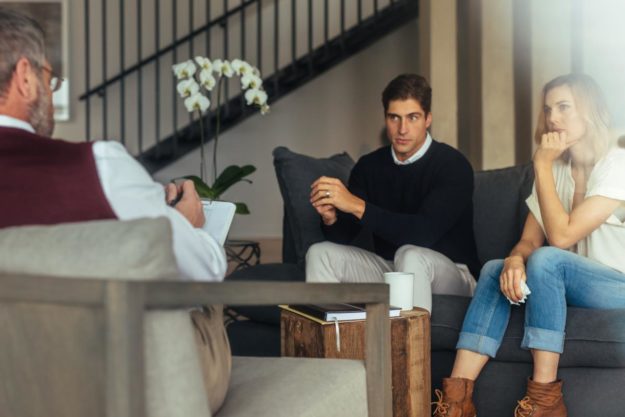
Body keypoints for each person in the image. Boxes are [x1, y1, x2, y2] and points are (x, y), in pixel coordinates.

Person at [432, 73, 625, 417]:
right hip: (572, 285)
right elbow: (527, 241)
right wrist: (515, 261)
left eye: (564, 107)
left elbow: (562, 237)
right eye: (549, 109)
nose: (552, 118)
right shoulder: (559, 171)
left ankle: (544, 402)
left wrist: (539, 163)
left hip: (617, 286)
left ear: (590, 110)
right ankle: (456, 401)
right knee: (495, 268)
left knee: (549, 260)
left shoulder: (618, 163)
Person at [0, 8, 226, 282]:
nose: (51, 92)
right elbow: (205, 274)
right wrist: (188, 227)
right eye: (49, 80)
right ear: (25, 78)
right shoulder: (99, 167)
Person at [306, 74, 480, 313]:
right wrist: (331, 217)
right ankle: (332, 348)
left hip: (453, 273)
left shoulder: (453, 165)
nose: (402, 129)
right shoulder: (369, 166)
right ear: (385, 118)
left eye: (413, 117)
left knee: (410, 254)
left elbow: (422, 234)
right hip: (392, 268)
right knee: (320, 253)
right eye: (394, 118)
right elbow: (346, 236)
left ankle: (407, 350)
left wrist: (357, 205)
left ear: (428, 119)